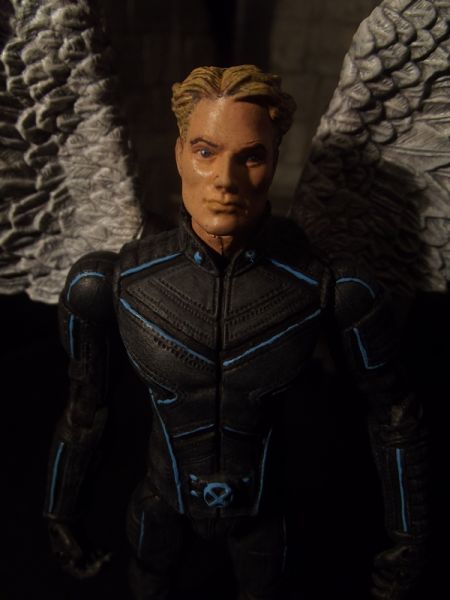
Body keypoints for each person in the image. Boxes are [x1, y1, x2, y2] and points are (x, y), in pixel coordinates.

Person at [44, 65, 428, 600]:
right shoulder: (112, 282)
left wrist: (409, 534)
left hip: (266, 513)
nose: (225, 180)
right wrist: (60, 511)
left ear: (274, 162)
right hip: (160, 502)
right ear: (180, 154)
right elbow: (85, 410)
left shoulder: (330, 287)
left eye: (251, 156)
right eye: (205, 151)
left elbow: (394, 413)